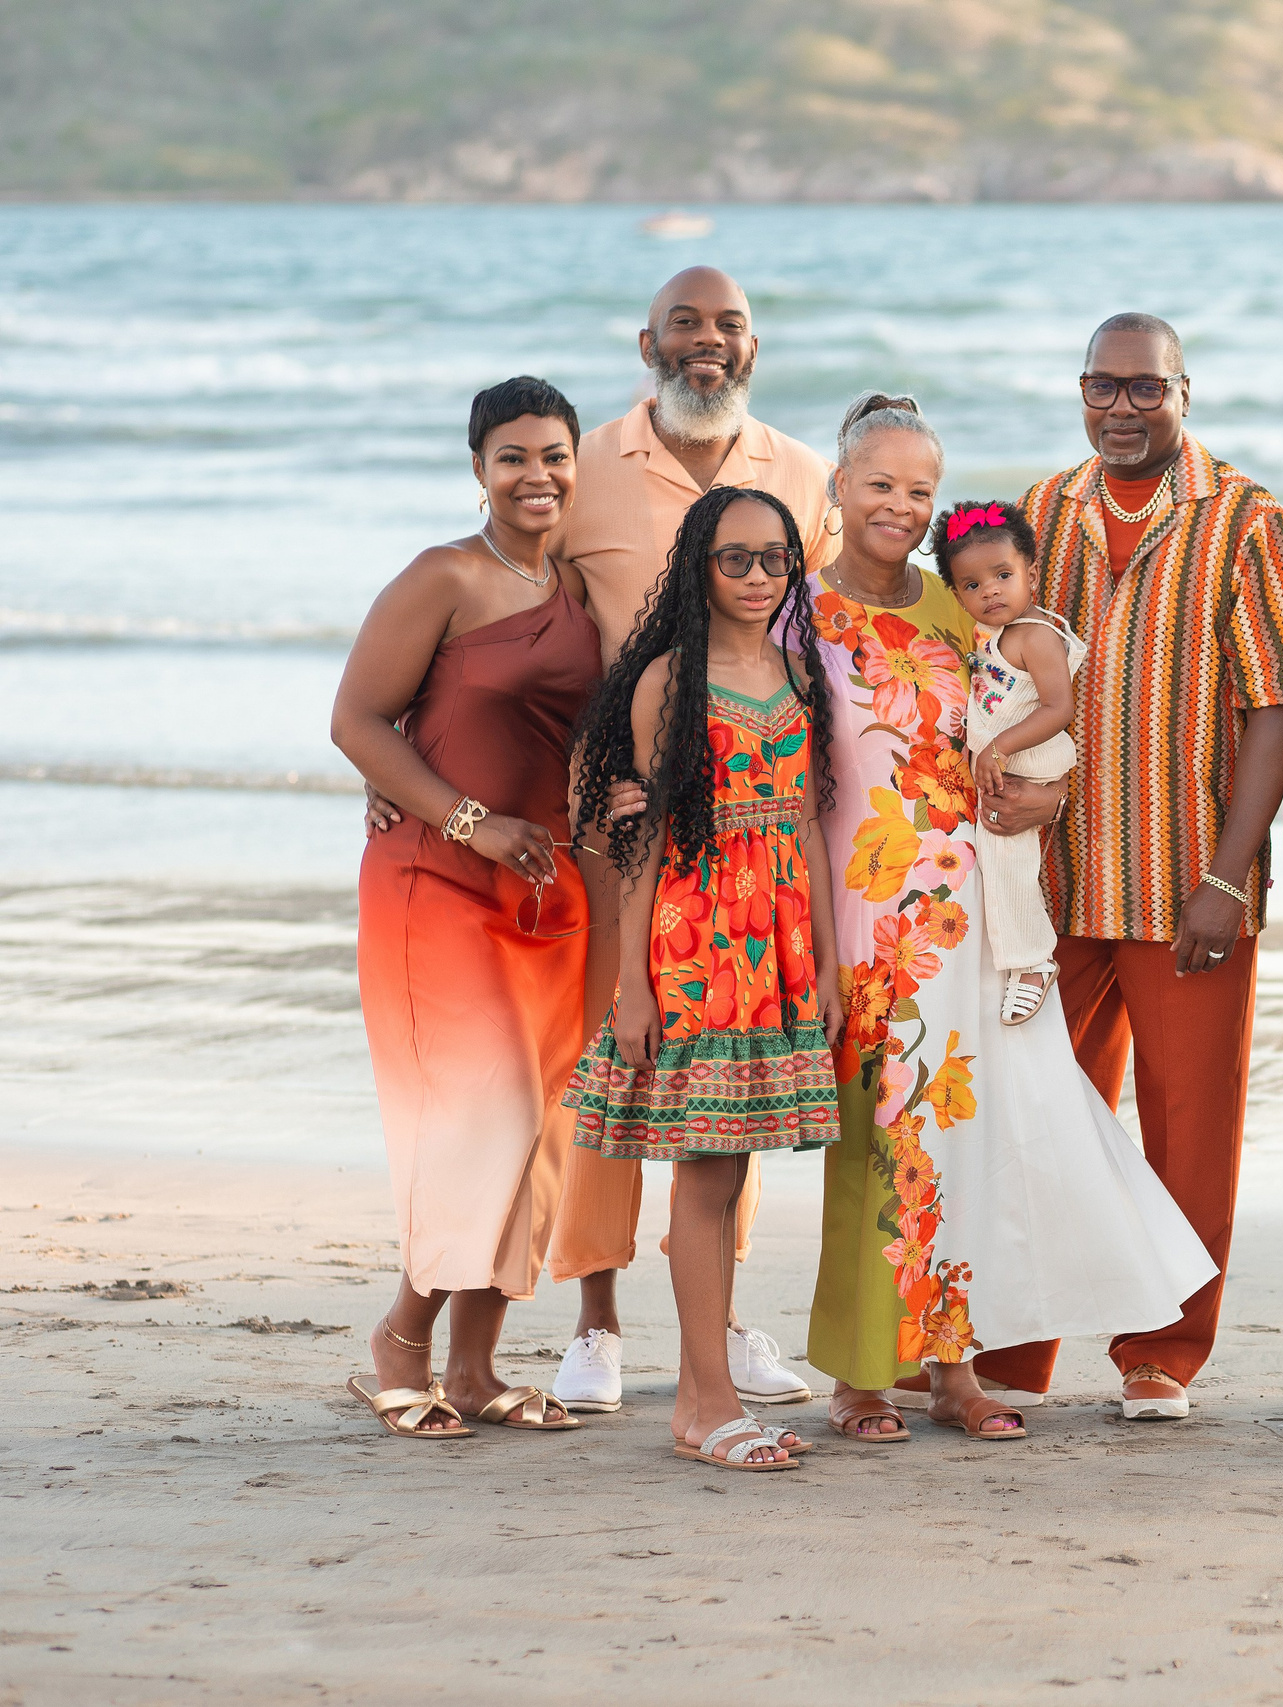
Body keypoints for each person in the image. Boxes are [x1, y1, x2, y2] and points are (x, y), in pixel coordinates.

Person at [796, 396, 1216, 1444]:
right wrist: (807, 933)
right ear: (839, 490)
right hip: (862, 913)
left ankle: (953, 1372)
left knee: (964, 1140)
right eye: (880, 484)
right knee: (876, 1142)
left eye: (918, 490)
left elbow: (1029, 738)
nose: (898, 504)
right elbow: (786, 778)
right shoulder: (795, 615)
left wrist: (1051, 798)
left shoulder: (961, 608)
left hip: (969, 912)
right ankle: (859, 1377)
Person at [989, 313, 1283, 1422]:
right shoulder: (1040, 512)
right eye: (1102, 387)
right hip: (1052, 880)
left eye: (1145, 388)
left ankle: (1160, 1354)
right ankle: (1010, 1353)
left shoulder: (1247, 521)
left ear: (1186, 391)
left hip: (1187, 883)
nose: (1121, 408)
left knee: (1189, 1126)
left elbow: (1275, 711)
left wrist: (1231, 876)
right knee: (1036, 1114)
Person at [544, 265, 842, 1413]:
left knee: (730, 1113)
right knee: (623, 1081)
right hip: (643, 832)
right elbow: (524, 606)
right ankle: (600, 1322)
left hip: (765, 871)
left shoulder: (799, 476)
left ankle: (711, 1326)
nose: (706, 342)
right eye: (685, 323)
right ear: (647, 341)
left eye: (727, 326)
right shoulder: (589, 472)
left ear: (754, 349)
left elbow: (831, 627)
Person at [330, 376, 600, 1439]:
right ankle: (402, 1338)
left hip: (548, 889)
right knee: (478, 1121)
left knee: (537, 1129)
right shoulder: (440, 576)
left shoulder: (582, 587)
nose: (537, 477)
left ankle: (478, 1368)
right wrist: (464, 821)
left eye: (555, 457)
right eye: (513, 458)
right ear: (479, 469)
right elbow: (357, 720)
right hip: (433, 881)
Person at [941, 498, 1083, 1025]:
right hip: (1009, 758)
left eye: (1003, 574)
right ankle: (1010, 953)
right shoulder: (999, 637)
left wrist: (997, 749)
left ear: (1031, 571)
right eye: (972, 585)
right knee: (997, 861)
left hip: (1032, 759)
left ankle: (1031, 962)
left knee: (1007, 861)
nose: (990, 591)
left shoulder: (1037, 636)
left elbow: (1058, 706)